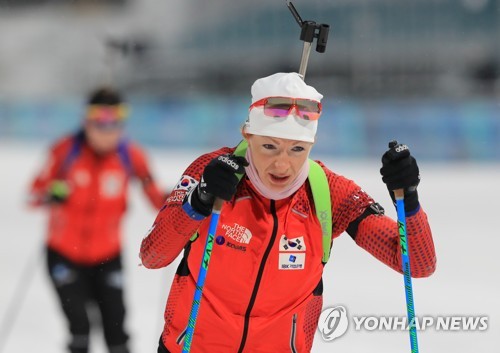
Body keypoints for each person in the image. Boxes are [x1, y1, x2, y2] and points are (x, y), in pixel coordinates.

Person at [140, 72, 437, 353]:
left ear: (312, 144)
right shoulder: (212, 172)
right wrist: (199, 201)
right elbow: (153, 256)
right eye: (269, 146)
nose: (282, 165)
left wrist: (408, 200)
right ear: (248, 134)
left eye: (297, 149)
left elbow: (418, 263)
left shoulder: (327, 191)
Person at [29, 87, 166, 353]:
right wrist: (51, 194)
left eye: (116, 121)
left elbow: (157, 198)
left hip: (107, 256)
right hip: (64, 255)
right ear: (86, 121)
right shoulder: (65, 151)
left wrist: (187, 200)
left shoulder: (130, 155)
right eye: (99, 121)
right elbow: (33, 194)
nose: (107, 129)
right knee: (79, 329)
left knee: (117, 332)